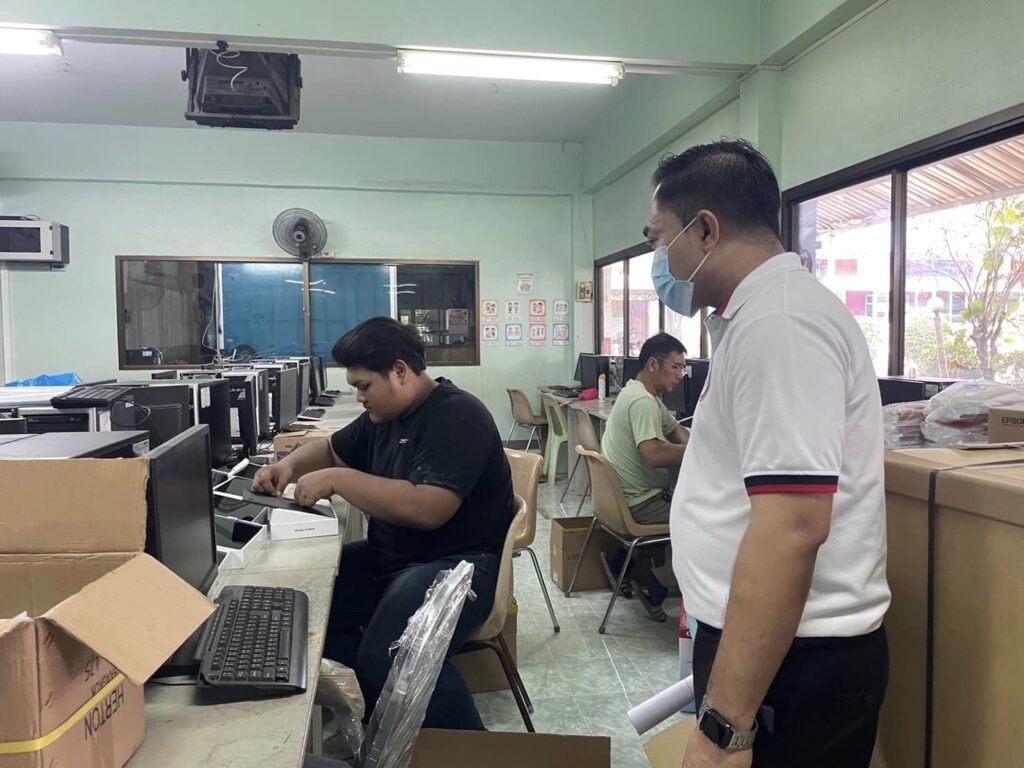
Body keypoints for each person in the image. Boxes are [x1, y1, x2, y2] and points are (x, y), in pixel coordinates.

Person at [644, 140, 890, 767]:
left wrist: (725, 728)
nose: (657, 259)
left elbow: (792, 529)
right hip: (771, 651)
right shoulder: (755, 317)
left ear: (705, 230)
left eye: (658, 238)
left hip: (793, 664)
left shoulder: (780, 323)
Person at [253, 317, 516, 731]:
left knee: (396, 655)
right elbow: (331, 449)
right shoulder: (386, 415)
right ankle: (384, 719)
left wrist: (340, 480)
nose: (359, 397)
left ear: (399, 371)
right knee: (301, 612)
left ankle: (468, 749)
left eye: (364, 386)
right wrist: (286, 466)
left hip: (460, 566)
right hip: (395, 559)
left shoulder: (456, 415)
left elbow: (429, 508)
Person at [600, 332, 689, 620]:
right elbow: (653, 454)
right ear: (653, 364)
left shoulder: (638, 392)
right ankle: (656, 582)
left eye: (683, 368)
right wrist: (698, 453)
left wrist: (696, 443)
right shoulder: (643, 402)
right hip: (640, 504)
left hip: (618, 501)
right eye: (675, 367)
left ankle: (625, 562)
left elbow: (674, 428)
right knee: (704, 519)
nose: (680, 375)